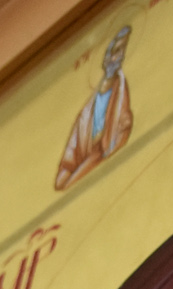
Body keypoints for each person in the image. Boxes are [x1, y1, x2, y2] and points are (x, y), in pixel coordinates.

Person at [54, 26, 133, 193]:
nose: (117, 57)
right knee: (63, 182)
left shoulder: (120, 90)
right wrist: (67, 166)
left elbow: (124, 123)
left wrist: (110, 146)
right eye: (115, 52)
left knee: (74, 181)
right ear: (106, 57)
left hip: (100, 152)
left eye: (121, 52)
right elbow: (76, 139)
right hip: (85, 154)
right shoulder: (88, 107)